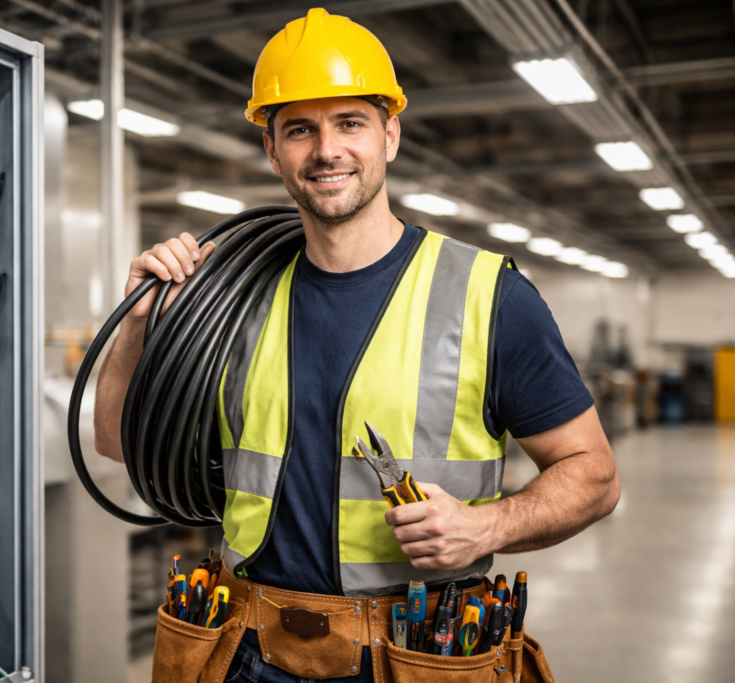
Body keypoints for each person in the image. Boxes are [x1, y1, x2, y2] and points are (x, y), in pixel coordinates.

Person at [94, 8, 620, 682]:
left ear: (390, 135)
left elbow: (595, 473)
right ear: (272, 149)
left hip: (413, 653)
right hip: (250, 651)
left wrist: (485, 528)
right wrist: (140, 315)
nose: (326, 150)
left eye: (350, 123)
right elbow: (117, 439)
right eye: (299, 130)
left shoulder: (488, 297)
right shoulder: (230, 298)